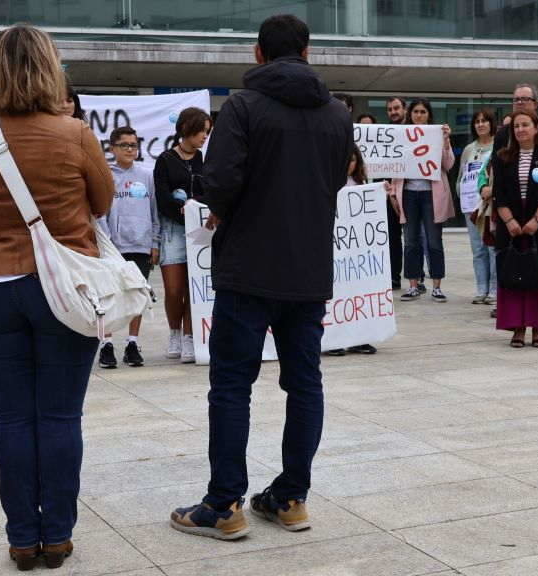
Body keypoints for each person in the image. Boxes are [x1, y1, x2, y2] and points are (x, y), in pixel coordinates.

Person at [170, 14, 351, 540]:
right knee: (305, 383)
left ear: (257, 54)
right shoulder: (338, 113)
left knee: (231, 385)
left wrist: (218, 203)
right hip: (309, 271)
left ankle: (224, 505)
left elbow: (220, 182)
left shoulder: (243, 107)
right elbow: (336, 178)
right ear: (308, 52)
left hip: (248, 267)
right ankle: (291, 497)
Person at [0, 24, 113, 569]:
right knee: (60, 417)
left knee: (11, 418)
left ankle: (22, 538)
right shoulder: (76, 133)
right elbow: (101, 201)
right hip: (64, 289)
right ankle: (59, 537)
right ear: (52, 67)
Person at [491, 110, 538, 348]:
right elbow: (498, 194)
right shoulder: (502, 156)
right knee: (512, 278)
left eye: (525, 125)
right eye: (516, 126)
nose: (520, 129)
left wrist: (537, 221)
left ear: (536, 127)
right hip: (511, 228)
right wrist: (509, 222)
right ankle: (517, 328)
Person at [95, 126, 161, 368]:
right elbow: (100, 212)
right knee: (110, 297)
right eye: (125, 145)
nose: (130, 150)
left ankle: (133, 343)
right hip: (113, 247)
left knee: (137, 295)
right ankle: (106, 345)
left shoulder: (146, 175)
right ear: (113, 148)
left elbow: (155, 211)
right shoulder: (106, 176)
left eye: (134, 145)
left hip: (141, 245)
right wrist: (107, 241)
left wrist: (154, 242)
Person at [154, 107, 211, 364]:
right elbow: (162, 197)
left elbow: (211, 191)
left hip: (200, 230)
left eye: (207, 132)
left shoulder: (205, 160)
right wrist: (182, 212)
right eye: (202, 131)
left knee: (193, 287)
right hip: (173, 230)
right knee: (174, 289)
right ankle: (174, 332)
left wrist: (196, 207)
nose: (205, 137)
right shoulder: (165, 159)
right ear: (187, 128)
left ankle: (190, 336)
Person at [392, 99, 455, 302]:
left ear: (429, 115)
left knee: (434, 241)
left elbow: (448, 164)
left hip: (431, 194)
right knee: (410, 241)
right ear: (410, 114)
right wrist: (393, 192)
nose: (419, 115)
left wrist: (445, 141)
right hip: (408, 193)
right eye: (416, 112)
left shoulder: (437, 136)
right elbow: (395, 164)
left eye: (423, 112)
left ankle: (437, 286)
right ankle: (412, 285)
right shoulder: (402, 137)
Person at [325, 148, 379, 357]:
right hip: (334, 248)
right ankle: (333, 340)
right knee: (336, 296)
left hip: (357, 252)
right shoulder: (328, 182)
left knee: (357, 295)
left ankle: (359, 338)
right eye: (347, 160)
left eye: (354, 160)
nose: (350, 164)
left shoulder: (361, 186)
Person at [460, 108, 496, 305]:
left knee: (491, 247)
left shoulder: (499, 146)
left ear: (491, 124)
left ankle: (494, 290)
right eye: (477, 121)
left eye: (484, 121)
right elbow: (461, 176)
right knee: (478, 249)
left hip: (488, 205)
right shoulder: (468, 149)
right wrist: (461, 194)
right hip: (470, 205)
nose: (481, 124)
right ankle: (481, 288)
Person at [384, 96, 405, 289]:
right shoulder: (385, 134)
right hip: (391, 192)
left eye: (396, 108)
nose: (393, 112)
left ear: (404, 109)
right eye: (390, 109)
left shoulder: (416, 131)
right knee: (393, 237)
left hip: (411, 191)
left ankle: (419, 278)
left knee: (419, 239)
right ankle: (394, 276)